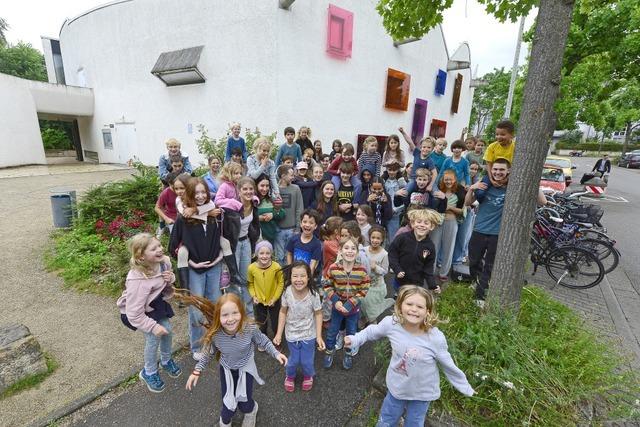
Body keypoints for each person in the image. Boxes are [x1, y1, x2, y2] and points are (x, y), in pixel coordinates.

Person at [345, 286, 474, 427]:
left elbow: (448, 365)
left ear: (428, 312)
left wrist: (464, 386)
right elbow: (371, 332)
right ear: (400, 306)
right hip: (397, 388)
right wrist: (355, 339)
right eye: (409, 304)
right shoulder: (391, 323)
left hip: (422, 393)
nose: (414, 309)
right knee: (386, 420)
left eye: (420, 306)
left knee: (414, 423)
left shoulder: (435, 338)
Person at [184, 293, 287, 427]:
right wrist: (197, 370)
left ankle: (251, 410)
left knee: (245, 404)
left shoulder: (249, 328)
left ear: (242, 313)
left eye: (235, 313)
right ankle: (225, 422)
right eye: (225, 315)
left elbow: (263, 340)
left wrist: (275, 353)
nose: (231, 319)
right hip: (227, 370)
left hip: (246, 370)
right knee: (227, 407)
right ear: (218, 317)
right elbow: (207, 354)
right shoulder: (216, 334)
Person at [116, 233, 181, 393]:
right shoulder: (137, 281)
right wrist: (153, 327)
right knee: (154, 338)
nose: (160, 250)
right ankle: (149, 372)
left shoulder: (163, 262)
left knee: (168, 331)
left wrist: (170, 278)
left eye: (159, 245)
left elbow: (166, 279)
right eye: (154, 249)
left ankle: (166, 361)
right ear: (141, 257)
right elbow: (134, 314)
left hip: (154, 303)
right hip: (137, 312)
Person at [169, 178, 223, 360]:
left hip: (214, 266)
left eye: (203, 192)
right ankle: (198, 346)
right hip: (195, 270)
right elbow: (173, 247)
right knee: (197, 310)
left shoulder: (213, 214)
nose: (200, 196)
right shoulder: (183, 219)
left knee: (214, 306)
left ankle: (214, 341)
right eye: (196, 193)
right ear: (190, 195)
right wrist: (190, 262)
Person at [464, 157, 511, 307]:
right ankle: (476, 282)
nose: (498, 172)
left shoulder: (511, 188)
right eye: (495, 169)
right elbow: (467, 203)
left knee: (489, 265)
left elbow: (542, 202)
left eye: (501, 170)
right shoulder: (485, 185)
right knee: (474, 260)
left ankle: (481, 295)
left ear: (508, 171)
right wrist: (472, 188)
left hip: (496, 233)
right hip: (479, 229)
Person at [273, 261, 325, 392]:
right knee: (294, 360)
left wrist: (319, 336)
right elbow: (283, 312)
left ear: (308, 277)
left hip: (309, 334)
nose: (299, 279)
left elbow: (318, 314)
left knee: (307, 360)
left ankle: (308, 376)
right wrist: (279, 333)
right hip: (291, 333)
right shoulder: (287, 293)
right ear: (290, 277)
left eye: (302, 276)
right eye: (295, 276)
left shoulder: (314, 295)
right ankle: (290, 376)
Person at [323, 237, 370, 370]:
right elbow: (327, 286)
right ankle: (329, 351)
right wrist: (336, 301)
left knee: (351, 333)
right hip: (337, 309)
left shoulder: (361, 270)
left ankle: (348, 353)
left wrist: (350, 303)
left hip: (353, 311)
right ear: (340, 251)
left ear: (357, 252)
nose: (350, 251)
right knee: (332, 332)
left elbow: (364, 288)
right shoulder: (333, 268)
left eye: (353, 248)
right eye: (346, 248)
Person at [388, 208, 441, 292]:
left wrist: (433, 285)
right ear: (412, 223)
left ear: (432, 226)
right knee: (399, 300)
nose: (422, 225)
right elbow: (392, 254)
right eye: (419, 222)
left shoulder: (430, 247)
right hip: (399, 281)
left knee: (410, 302)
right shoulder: (402, 238)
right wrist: (397, 269)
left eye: (426, 223)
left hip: (416, 285)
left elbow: (428, 268)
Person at [430, 170, 466, 281]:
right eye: (446, 179)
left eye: (450, 179)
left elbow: (463, 211)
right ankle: (430, 271)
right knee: (433, 247)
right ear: (442, 179)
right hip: (437, 222)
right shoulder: (438, 190)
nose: (448, 181)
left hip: (451, 222)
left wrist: (450, 208)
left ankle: (443, 273)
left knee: (448, 248)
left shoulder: (460, 193)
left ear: (455, 179)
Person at [233, 177, 261, 317]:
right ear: (239, 191)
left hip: (246, 242)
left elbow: (254, 226)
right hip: (233, 245)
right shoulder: (232, 206)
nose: (248, 192)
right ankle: (235, 313)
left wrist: (254, 242)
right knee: (234, 280)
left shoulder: (254, 205)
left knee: (246, 279)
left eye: (251, 189)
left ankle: (249, 315)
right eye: (245, 189)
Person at [248, 241, 284, 344]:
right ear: (256, 254)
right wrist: (253, 296)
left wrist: (275, 298)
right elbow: (250, 284)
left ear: (271, 254)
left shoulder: (276, 267)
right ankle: (263, 341)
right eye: (261, 253)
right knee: (261, 323)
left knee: (275, 322)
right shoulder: (251, 268)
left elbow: (280, 284)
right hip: (259, 301)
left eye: (267, 253)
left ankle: (278, 340)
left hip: (274, 300)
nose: (264, 256)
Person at [361, 225, 393, 325]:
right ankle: (365, 318)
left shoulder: (384, 254)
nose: (375, 240)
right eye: (373, 238)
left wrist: (376, 268)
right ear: (369, 238)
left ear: (382, 239)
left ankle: (372, 321)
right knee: (363, 303)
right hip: (364, 283)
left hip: (377, 285)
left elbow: (385, 271)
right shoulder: (364, 250)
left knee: (372, 306)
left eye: (378, 238)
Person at [275, 165, 304, 265]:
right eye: (291, 175)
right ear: (283, 176)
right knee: (279, 256)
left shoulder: (295, 188)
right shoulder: (275, 190)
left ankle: (289, 278)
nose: (293, 177)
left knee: (290, 256)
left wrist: (297, 227)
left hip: (291, 229)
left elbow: (299, 208)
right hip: (278, 229)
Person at [286, 209, 323, 279]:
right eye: (305, 222)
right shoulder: (293, 239)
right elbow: (289, 254)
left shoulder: (316, 244)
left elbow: (313, 263)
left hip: (306, 276)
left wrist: (308, 278)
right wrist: (290, 270)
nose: (307, 225)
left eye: (311, 223)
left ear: (315, 226)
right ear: (300, 223)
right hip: (294, 274)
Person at [398, 127, 437, 195]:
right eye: (424, 147)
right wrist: (403, 132)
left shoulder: (429, 160)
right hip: (413, 179)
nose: (426, 149)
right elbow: (410, 142)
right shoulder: (417, 153)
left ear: (432, 149)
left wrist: (430, 185)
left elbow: (435, 173)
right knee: (405, 193)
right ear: (421, 147)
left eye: (429, 147)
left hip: (423, 181)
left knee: (436, 194)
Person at [256, 174, 284, 246]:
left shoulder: (272, 199)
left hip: (271, 237)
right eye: (262, 186)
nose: (265, 189)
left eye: (267, 186)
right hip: (256, 238)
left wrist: (273, 214)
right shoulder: (252, 200)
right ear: (256, 185)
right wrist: (258, 218)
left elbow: (282, 213)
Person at [382, 160, 407, 242]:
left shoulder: (401, 182)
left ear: (398, 170)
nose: (392, 172)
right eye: (389, 170)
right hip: (384, 212)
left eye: (394, 170)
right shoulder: (383, 181)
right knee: (381, 237)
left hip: (394, 214)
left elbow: (405, 200)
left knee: (393, 238)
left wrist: (396, 209)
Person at [154, 172, 184, 238]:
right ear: (169, 183)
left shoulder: (185, 189)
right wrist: (166, 218)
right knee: (176, 237)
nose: (178, 190)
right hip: (172, 218)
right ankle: (163, 227)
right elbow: (157, 207)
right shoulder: (165, 193)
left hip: (185, 216)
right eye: (172, 185)